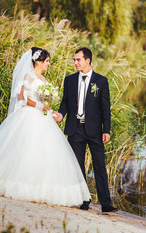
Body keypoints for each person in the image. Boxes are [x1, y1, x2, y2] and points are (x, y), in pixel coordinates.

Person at [0, 47, 91, 207]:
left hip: (44, 118)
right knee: (24, 149)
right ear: (38, 61)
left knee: (44, 151)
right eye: (47, 61)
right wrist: (38, 105)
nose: (48, 64)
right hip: (28, 116)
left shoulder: (44, 79)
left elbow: (45, 103)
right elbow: (21, 98)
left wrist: (51, 111)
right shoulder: (28, 77)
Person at [54, 47, 117, 213]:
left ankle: (106, 204)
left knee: (100, 166)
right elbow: (65, 102)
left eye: (78, 60)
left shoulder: (101, 81)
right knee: (77, 166)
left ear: (87, 60)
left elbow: (105, 108)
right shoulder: (69, 80)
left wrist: (107, 130)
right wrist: (61, 114)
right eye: (74, 60)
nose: (75, 63)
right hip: (75, 129)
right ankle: (83, 200)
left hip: (95, 130)